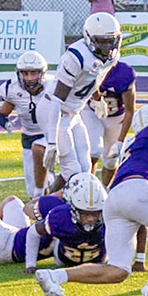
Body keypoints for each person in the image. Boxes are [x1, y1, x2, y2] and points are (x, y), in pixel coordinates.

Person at [38, 105, 148, 296]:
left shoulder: (138, 152)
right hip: (135, 192)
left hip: (114, 199)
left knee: (117, 270)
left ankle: (55, 276)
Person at [49, 11, 122, 191]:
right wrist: (52, 141)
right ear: (89, 38)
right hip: (57, 111)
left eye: (110, 40)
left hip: (75, 112)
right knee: (72, 171)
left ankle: (70, 206)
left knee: (86, 167)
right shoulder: (76, 57)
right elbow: (57, 99)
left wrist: (98, 99)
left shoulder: (112, 57)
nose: (107, 47)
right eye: (101, 41)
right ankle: (45, 206)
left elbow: (91, 80)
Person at [0, 51, 54, 198]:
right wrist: (6, 123)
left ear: (42, 73)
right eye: (25, 73)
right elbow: (2, 114)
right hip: (29, 136)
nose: (29, 78)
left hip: (52, 133)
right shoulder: (12, 88)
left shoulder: (53, 86)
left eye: (33, 73)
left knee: (40, 152)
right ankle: (44, 200)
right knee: (32, 189)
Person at [85, 59, 138, 177]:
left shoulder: (123, 73)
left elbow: (129, 110)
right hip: (91, 111)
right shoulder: (88, 66)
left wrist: (120, 141)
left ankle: (104, 190)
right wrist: (97, 99)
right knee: (93, 151)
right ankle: (89, 184)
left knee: (111, 161)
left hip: (116, 116)